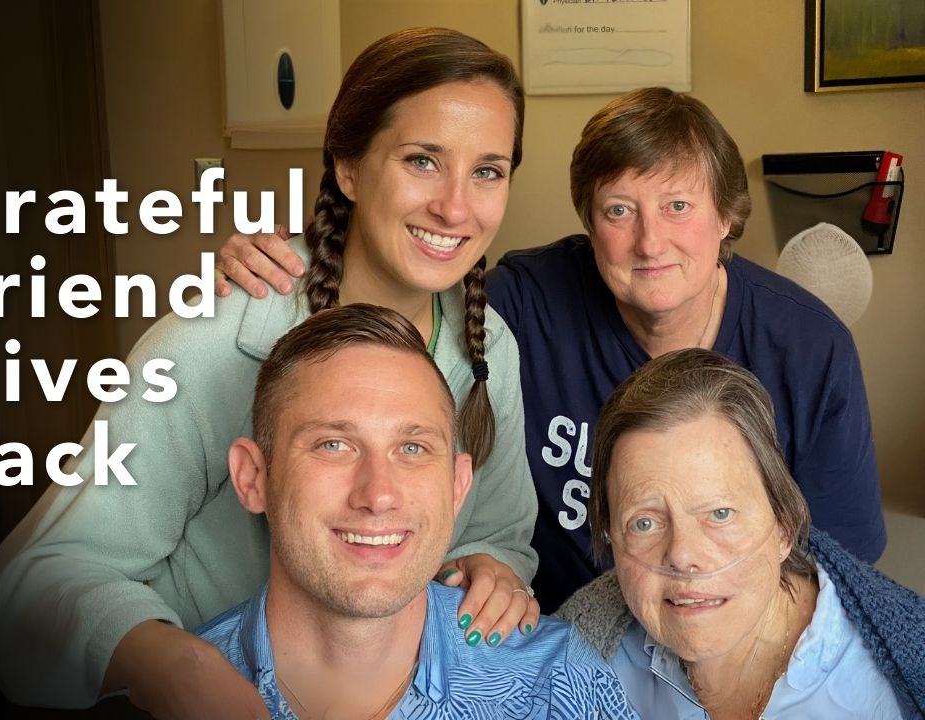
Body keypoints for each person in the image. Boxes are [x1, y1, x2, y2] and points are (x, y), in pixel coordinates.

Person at [0, 27, 540, 717]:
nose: (455, 207)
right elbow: (32, 587)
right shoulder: (215, 340)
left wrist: (491, 567)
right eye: (423, 160)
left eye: (487, 170)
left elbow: (498, 531)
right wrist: (170, 663)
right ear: (349, 167)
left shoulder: (491, 349)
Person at [212, 86, 886, 612]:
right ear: (590, 224)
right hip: (553, 629)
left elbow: (838, 569)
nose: (650, 242)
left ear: (728, 215)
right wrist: (284, 268)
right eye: (619, 211)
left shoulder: (809, 347)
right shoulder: (526, 302)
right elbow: (394, 315)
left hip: (727, 627)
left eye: (678, 206)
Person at [198, 302, 639, 719]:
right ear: (252, 477)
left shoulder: (558, 687)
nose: (378, 494)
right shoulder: (159, 698)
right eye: (333, 444)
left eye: (412, 448)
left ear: (457, 486)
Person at [557, 348, 923, 720]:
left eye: (720, 513)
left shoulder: (881, 693)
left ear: (784, 525)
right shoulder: (575, 660)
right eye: (644, 523)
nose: (682, 556)